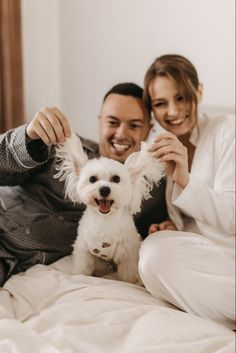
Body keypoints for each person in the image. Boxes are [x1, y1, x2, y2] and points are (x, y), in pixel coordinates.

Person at [0, 82, 168, 286]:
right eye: (112, 122)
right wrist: (27, 136)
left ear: (149, 129)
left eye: (134, 125)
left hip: (13, 260)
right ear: (100, 121)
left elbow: (165, 227)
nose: (121, 133)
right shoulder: (60, 146)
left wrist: (168, 226)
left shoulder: (151, 189)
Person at [138, 54, 235, 330]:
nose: (173, 111)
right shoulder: (164, 149)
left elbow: (231, 217)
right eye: (160, 103)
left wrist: (185, 179)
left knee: (154, 254)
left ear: (199, 92)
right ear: (152, 110)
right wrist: (174, 230)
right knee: (151, 257)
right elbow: (198, 226)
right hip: (213, 264)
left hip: (230, 255)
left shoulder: (227, 131)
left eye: (181, 97)